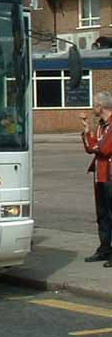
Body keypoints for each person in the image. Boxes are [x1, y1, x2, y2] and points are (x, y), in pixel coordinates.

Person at [81, 91, 112, 267]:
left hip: (110, 175)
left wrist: (93, 145)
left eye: (95, 104)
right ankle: (104, 249)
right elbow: (91, 148)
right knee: (102, 216)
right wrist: (87, 132)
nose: (93, 107)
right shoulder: (101, 125)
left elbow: (104, 149)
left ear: (101, 107)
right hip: (100, 176)